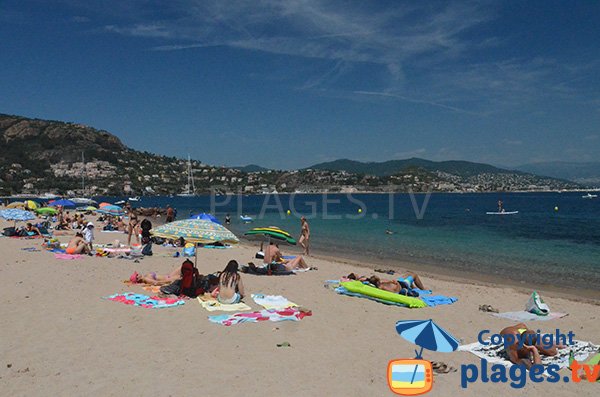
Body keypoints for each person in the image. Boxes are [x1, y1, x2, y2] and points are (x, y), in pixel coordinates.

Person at [500, 323, 565, 369]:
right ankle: (543, 340)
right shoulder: (514, 351)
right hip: (509, 331)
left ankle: (542, 339)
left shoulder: (526, 338)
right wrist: (534, 350)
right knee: (552, 351)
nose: (529, 352)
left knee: (554, 350)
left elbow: (554, 352)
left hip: (522, 328)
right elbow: (537, 369)